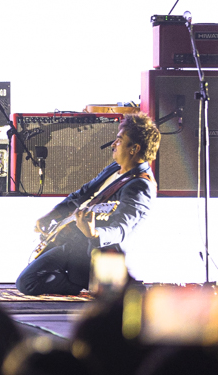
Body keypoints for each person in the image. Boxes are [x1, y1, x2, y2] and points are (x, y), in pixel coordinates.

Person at [16, 112, 160, 296]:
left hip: (96, 253)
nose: (113, 144)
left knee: (27, 283)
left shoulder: (141, 185)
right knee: (30, 273)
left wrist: (94, 233)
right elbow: (82, 194)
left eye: (119, 140)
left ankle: (88, 285)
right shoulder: (115, 168)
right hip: (77, 242)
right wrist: (53, 214)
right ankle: (80, 280)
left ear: (134, 148)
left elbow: (121, 229)